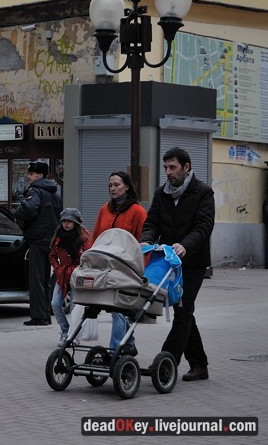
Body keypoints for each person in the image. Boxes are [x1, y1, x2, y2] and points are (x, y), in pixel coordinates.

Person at [140, 147, 215, 382]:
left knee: (182, 308)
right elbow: (152, 222)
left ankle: (166, 361)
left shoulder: (202, 192)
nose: (168, 172)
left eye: (173, 167)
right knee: (184, 311)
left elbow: (204, 226)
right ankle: (199, 365)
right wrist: (146, 240)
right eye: (165, 168)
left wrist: (185, 245)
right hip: (168, 260)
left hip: (192, 262)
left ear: (186, 167)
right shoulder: (161, 193)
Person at [91, 171, 148, 356]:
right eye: (110, 185)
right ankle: (129, 343)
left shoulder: (137, 212)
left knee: (119, 309)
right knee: (117, 309)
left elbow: (144, 242)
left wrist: (142, 270)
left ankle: (116, 348)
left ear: (127, 186)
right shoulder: (104, 210)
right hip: (106, 268)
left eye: (116, 184)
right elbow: (97, 237)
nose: (113, 188)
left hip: (127, 269)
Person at [13, 160, 62, 326]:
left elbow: (28, 208)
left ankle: (39, 316)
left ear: (39, 175)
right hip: (51, 240)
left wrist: (16, 214)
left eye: (31, 174)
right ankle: (46, 312)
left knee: (36, 279)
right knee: (47, 280)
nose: (28, 177)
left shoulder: (35, 191)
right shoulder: (55, 193)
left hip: (38, 240)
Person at [49, 208, 92, 345]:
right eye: (64, 221)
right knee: (55, 304)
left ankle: (74, 335)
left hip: (77, 276)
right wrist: (57, 268)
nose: (66, 224)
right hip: (62, 276)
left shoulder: (83, 236)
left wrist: (82, 269)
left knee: (75, 307)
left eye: (69, 221)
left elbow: (89, 255)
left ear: (75, 223)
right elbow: (52, 256)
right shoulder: (58, 236)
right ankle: (65, 331)